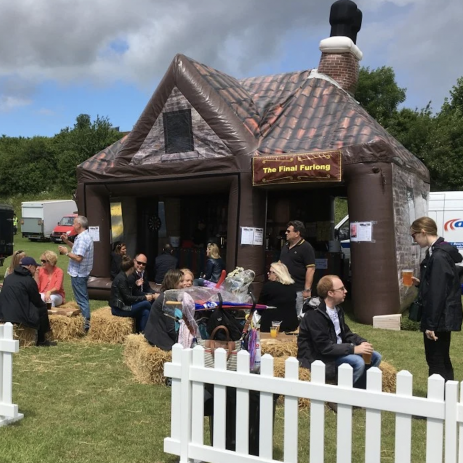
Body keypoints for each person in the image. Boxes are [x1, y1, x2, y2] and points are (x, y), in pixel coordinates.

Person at [297, 275, 381, 389]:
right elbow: (324, 347)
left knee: (376, 356)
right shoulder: (315, 314)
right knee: (358, 362)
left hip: (336, 351)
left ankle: (358, 391)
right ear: (330, 293)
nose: (345, 291)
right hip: (319, 357)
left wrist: (362, 342)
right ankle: (338, 397)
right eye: (341, 289)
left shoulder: (337, 310)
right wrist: (353, 349)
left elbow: (346, 333)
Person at [410, 216, 462, 382]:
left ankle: (438, 400)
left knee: (436, 359)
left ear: (423, 232)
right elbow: (439, 285)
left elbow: (438, 293)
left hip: (438, 317)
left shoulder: (439, 256)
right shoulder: (439, 251)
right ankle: (447, 397)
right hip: (443, 314)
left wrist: (431, 325)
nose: (414, 240)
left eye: (414, 235)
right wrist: (421, 284)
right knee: (442, 358)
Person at [0, 257, 56, 347]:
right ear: (30, 266)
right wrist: (45, 306)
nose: (36, 269)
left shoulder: (9, 278)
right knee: (42, 308)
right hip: (19, 317)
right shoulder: (29, 280)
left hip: (2, 315)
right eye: (35, 267)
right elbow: (37, 301)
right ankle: (42, 340)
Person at [58, 215, 94, 332]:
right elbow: (77, 249)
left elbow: (78, 257)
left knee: (82, 300)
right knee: (82, 298)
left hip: (79, 274)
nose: (72, 225)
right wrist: (67, 241)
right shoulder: (83, 237)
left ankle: (86, 325)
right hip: (80, 273)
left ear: (79, 225)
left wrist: (66, 252)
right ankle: (85, 322)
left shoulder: (83, 238)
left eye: (74, 223)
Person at [279, 220, 316, 319]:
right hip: (284, 288)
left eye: (288, 231)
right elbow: (280, 263)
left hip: (298, 290)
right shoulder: (285, 246)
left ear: (297, 233)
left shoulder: (306, 247)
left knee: (299, 317)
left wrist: (307, 289)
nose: (286, 233)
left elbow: (311, 269)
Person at [109, 255, 155, 332]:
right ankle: (155, 323)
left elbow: (126, 292)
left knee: (145, 312)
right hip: (120, 308)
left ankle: (142, 333)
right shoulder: (122, 279)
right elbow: (128, 297)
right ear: (131, 268)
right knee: (146, 303)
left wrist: (135, 285)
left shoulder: (123, 276)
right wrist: (145, 297)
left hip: (123, 306)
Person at [144, 269, 185, 351]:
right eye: (181, 281)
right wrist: (180, 340)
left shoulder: (170, 295)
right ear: (173, 282)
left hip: (159, 333)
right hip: (158, 337)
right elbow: (170, 326)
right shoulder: (168, 298)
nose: (184, 284)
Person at [258, 262, 298, 332]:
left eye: (270, 272)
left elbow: (260, 306)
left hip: (271, 325)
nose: (268, 273)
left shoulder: (268, 286)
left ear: (276, 274)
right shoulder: (293, 287)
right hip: (290, 325)